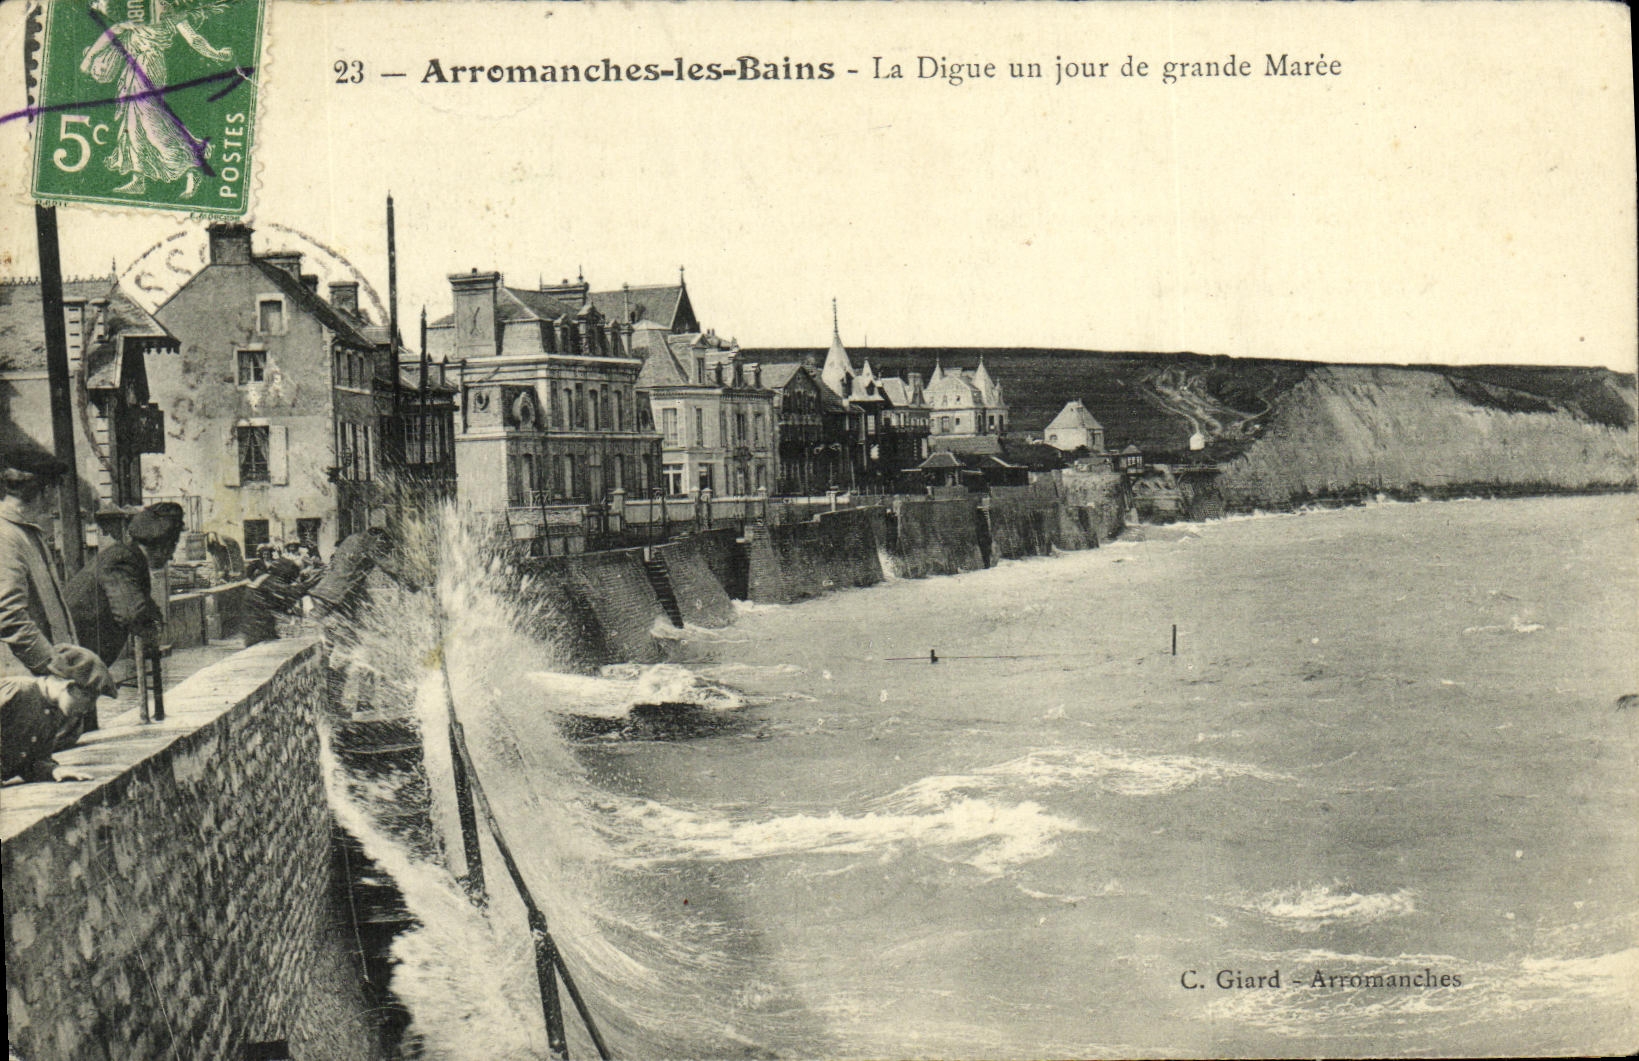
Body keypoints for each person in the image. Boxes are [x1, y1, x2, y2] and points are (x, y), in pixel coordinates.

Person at [65, 503, 184, 707]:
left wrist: (153, 616)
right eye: (171, 548)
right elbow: (130, 612)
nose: (170, 556)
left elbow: (139, 599)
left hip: (80, 660)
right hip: (73, 660)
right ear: (162, 545)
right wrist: (150, 628)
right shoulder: (123, 560)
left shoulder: (128, 558)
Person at [1, 446, 78, 681]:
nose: (56, 498)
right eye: (56, 488)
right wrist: (51, 664)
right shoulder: (6, 535)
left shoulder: (27, 532)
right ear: (44, 490)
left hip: (46, 676)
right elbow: (8, 614)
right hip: (26, 679)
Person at [1, 644, 115, 783]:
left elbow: (30, 764)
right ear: (67, 685)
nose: (89, 707)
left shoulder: (53, 713)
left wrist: (53, 770)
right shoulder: (17, 690)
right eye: (88, 697)